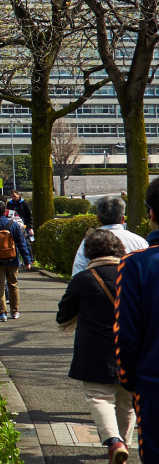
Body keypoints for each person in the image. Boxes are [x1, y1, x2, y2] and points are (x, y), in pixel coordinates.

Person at [57, 229, 133, 464]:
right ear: (119, 250)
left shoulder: (83, 279)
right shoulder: (134, 274)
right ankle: (125, 445)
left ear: (89, 253)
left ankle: (114, 442)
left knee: (99, 396)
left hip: (95, 349)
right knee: (127, 400)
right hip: (132, 347)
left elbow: (63, 315)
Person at [117, 180, 159, 464]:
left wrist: (130, 380)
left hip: (153, 385)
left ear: (151, 213)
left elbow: (126, 334)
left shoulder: (136, 264)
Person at [0, 199, 33, 321]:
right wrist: (27, 260)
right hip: (12, 259)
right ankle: (14, 311)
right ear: (5, 211)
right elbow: (21, 243)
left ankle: (2, 313)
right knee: (13, 285)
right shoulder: (13, 225)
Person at [71, 196, 149, 276]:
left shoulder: (88, 242)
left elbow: (78, 272)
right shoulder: (139, 242)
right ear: (123, 219)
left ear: (98, 218)